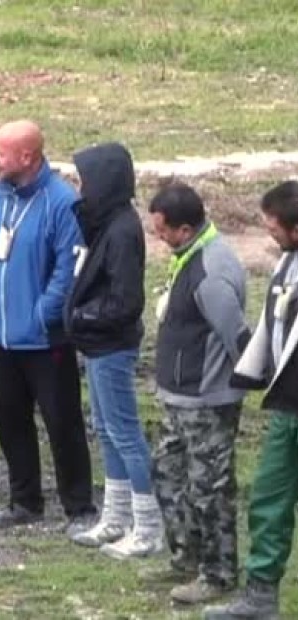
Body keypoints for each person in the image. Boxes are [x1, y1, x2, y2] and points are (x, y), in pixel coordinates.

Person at [0, 119, 96, 533]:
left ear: (27, 156)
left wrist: (44, 313)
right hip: (1, 335)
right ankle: (24, 501)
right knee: (8, 418)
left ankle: (79, 506)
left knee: (62, 421)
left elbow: (69, 266)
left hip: (44, 339)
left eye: (0, 152)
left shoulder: (62, 202)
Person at [146, 183, 249, 605]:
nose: (159, 238)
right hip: (179, 397)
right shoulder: (189, 256)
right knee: (168, 474)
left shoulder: (211, 271)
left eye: (163, 231)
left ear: (185, 229)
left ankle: (219, 573)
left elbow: (238, 339)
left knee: (210, 489)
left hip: (207, 402)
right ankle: (186, 557)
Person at [65, 142, 164, 559]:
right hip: (97, 344)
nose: (79, 187)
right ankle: (117, 516)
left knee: (124, 433)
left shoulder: (123, 231)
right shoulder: (107, 222)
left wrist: (83, 317)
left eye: (85, 179)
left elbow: (126, 300)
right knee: (106, 430)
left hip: (110, 345)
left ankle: (148, 527)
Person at [204, 180, 298, 620]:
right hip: (286, 408)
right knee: (269, 498)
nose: (268, 232)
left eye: (274, 226)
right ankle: (261, 597)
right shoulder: (287, 264)